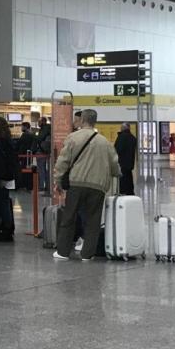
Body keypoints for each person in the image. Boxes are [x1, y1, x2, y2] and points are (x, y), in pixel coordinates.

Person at [51, 109, 119, 261]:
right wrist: (117, 174)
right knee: (93, 221)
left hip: (76, 184)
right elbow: (115, 165)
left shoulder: (73, 138)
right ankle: (87, 254)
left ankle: (62, 252)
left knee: (69, 217)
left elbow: (63, 162)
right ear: (95, 121)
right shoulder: (104, 141)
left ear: (82, 120)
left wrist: (58, 181)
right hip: (98, 186)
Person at [0, 116, 18, 239]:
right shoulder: (7, 140)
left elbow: (2, 161)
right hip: (5, 177)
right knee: (3, 203)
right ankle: (6, 228)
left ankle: (5, 228)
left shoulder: (0, 141)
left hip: (1, 178)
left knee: (1, 204)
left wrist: (2, 178)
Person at [114, 123, 137, 195]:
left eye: (121, 127)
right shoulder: (132, 137)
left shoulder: (121, 137)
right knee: (129, 176)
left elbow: (118, 149)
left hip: (122, 161)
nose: (120, 128)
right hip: (130, 161)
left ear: (124, 128)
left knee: (122, 177)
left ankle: (122, 191)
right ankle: (130, 191)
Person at [35, 117, 51, 192]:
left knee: (41, 169)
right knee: (46, 170)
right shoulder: (48, 128)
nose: (38, 123)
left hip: (42, 151)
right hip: (46, 152)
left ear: (43, 122)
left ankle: (42, 186)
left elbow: (39, 138)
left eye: (39, 121)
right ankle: (47, 185)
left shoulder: (45, 128)